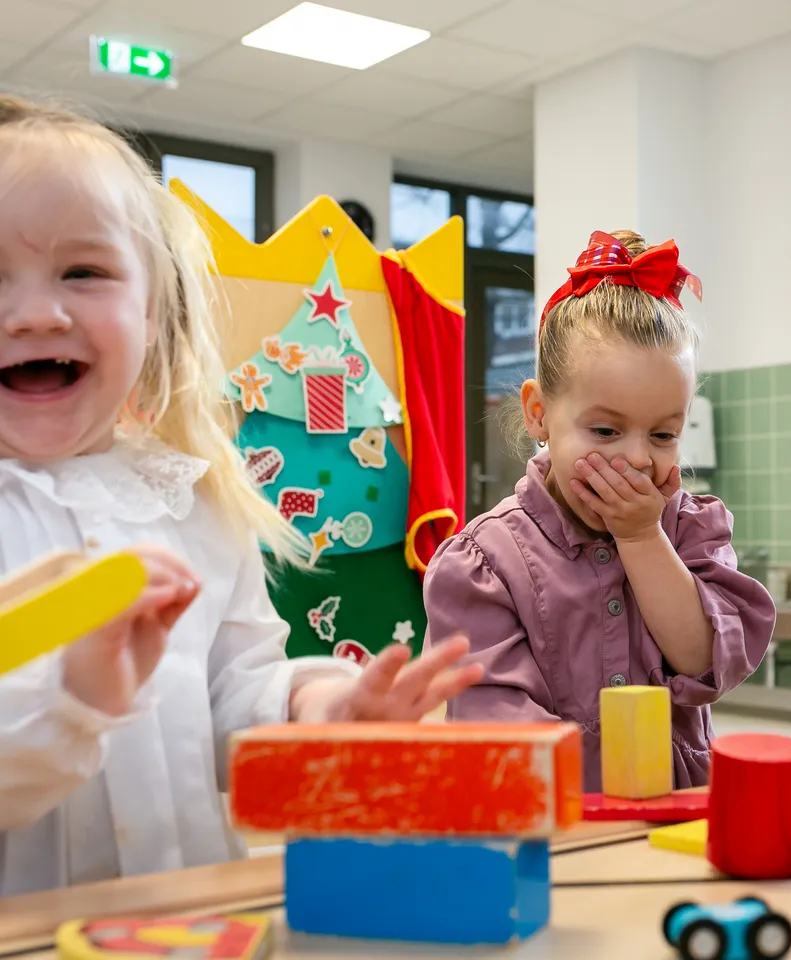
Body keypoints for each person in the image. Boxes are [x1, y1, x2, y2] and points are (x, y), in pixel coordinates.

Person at [0, 95, 481, 895]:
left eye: (83, 272)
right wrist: (74, 701)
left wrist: (317, 708)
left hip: (188, 920)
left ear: (151, 313)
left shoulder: (195, 504)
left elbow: (235, 693)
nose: (37, 313)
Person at [423, 229, 775, 791]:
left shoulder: (689, 530)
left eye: (663, 434)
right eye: (606, 430)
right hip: (551, 818)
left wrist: (641, 537)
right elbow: (490, 722)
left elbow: (703, 658)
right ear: (539, 413)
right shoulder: (484, 563)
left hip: (674, 813)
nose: (636, 459)